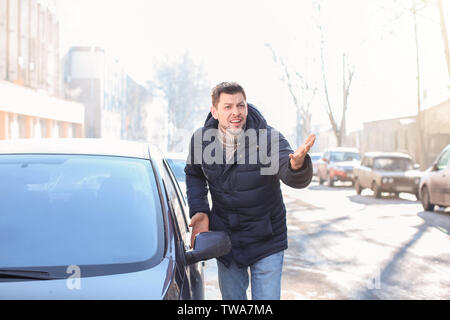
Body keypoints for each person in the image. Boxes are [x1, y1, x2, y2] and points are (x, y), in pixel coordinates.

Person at [185, 82, 315, 300]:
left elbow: (288, 169)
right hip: (227, 242)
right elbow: (194, 173)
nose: (236, 112)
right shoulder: (202, 140)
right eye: (227, 107)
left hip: (267, 239)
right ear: (215, 111)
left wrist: (297, 166)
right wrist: (200, 210)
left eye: (240, 105)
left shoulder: (267, 138)